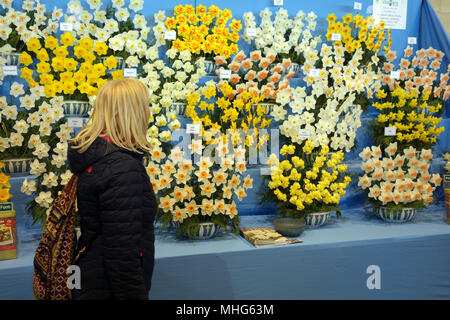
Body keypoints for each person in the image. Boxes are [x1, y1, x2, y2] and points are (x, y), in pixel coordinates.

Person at [68, 78, 157, 300]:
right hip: (107, 286)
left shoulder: (95, 155)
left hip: (88, 272)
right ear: (132, 112)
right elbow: (122, 254)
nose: (149, 112)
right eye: (146, 105)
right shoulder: (121, 168)